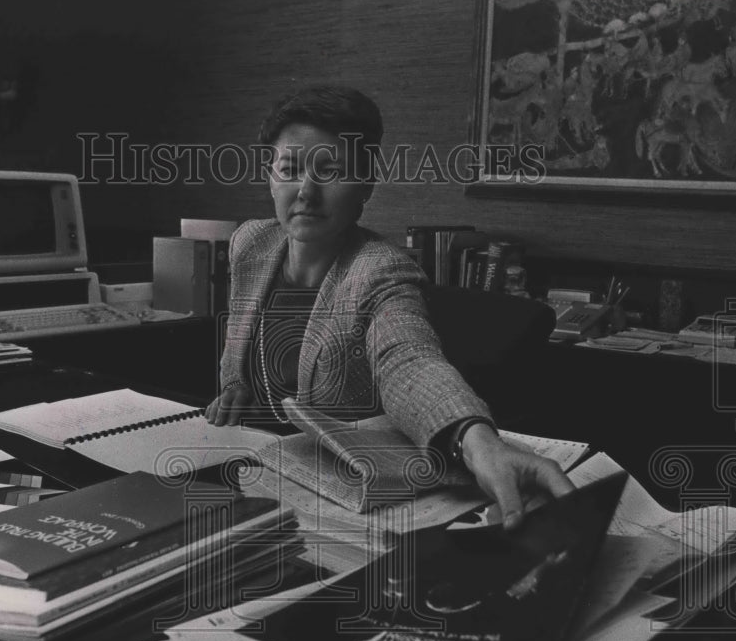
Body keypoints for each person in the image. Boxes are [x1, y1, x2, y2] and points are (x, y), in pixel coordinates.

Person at [205, 85, 573, 528]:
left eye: (330, 171)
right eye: (289, 169)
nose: (305, 191)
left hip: (341, 502)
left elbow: (409, 362)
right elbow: (241, 343)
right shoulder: (250, 243)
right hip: (247, 470)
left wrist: (479, 443)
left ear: (366, 186)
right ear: (270, 176)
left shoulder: (381, 271)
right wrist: (234, 383)